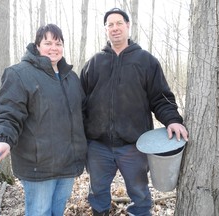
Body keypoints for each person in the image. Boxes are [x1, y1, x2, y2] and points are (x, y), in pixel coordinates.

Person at [80, 8, 189, 216]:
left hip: (133, 145)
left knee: (139, 193)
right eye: (110, 25)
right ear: (105, 30)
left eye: (119, 23)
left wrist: (173, 120)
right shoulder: (94, 64)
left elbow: (161, 98)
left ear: (128, 26)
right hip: (98, 146)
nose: (115, 28)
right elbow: (80, 104)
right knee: (97, 192)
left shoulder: (146, 61)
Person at [0, 23, 87, 216]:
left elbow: (82, 114)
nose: (53, 48)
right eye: (47, 43)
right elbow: (9, 113)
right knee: (40, 212)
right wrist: (3, 139)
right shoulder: (19, 74)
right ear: (37, 45)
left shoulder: (71, 77)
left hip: (68, 163)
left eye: (58, 43)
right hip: (39, 165)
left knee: (58, 211)